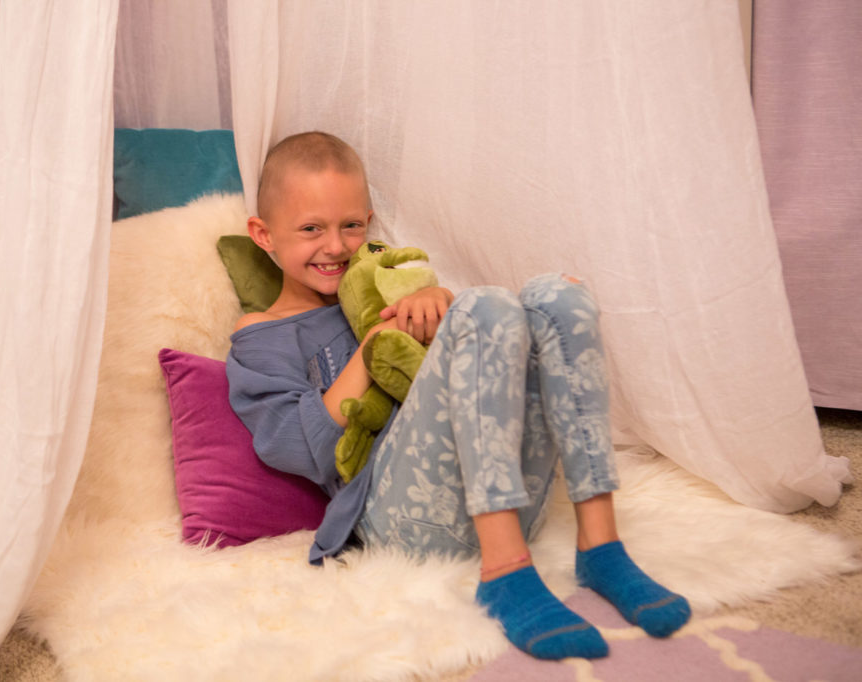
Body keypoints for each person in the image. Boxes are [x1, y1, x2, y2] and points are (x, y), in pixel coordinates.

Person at [226, 131, 690, 660]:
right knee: (482, 305)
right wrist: (374, 344)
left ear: (369, 224)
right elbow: (294, 447)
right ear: (263, 234)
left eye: (350, 226)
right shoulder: (261, 334)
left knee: (558, 296)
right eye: (311, 228)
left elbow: (465, 374)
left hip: (512, 499)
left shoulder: (386, 290)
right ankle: (504, 572)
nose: (335, 246)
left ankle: (601, 547)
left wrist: (434, 307)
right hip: (397, 524)